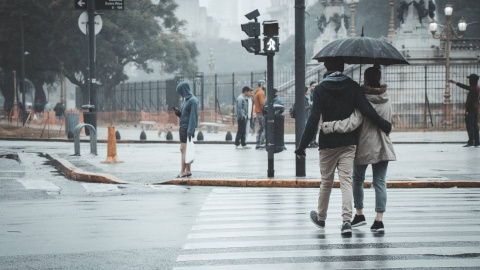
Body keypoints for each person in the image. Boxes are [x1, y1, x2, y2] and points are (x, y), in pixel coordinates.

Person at [294, 58, 392, 235]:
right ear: (343, 67)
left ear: (326, 67)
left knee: (326, 182)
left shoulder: (320, 89)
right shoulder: (353, 86)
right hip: (348, 142)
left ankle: (321, 218)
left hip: (327, 143)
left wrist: (302, 146)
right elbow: (367, 110)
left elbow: (313, 118)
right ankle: (346, 221)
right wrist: (383, 124)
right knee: (346, 181)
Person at [321, 67, 396, 233]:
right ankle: (379, 220)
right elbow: (389, 120)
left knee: (357, 180)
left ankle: (359, 214)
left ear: (366, 79)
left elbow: (354, 122)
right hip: (383, 145)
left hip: (364, 144)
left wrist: (330, 126)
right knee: (380, 182)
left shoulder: (362, 99)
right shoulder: (386, 98)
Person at [173, 82, 199, 178]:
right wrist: (178, 113)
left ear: (184, 90)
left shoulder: (193, 101)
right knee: (185, 150)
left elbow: (193, 117)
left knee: (183, 149)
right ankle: (188, 170)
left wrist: (190, 131)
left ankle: (182, 172)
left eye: (181, 91)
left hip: (187, 128)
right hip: (184, 127)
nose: (180, 94)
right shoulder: (186, 101)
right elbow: (185, 115)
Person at [450, 74, 480, 147]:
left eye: (469, 79)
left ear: (472, 80)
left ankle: (470, 142)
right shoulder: (476, 87)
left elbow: (471, 101)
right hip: (476, 109)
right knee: (475, 126)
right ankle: (477, 142)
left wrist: (467, 110)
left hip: (471, 109)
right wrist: (456, 83)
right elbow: (465, 87)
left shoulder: (473, 89)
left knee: (470, 126)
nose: (469, 80)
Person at [254, 80, 266, 149]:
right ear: (261, 84)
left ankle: (258, 142)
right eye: (264, 84)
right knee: (265, 128)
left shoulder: (256, 93)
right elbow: (262, 103)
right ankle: (262, 143)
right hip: (262, 113)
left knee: (260, 128)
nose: (265, 86)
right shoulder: (261, 93)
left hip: (258, 113)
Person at [308, 81, 319, 148]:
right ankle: (312, 141)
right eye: (313, 86)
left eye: (315, 86)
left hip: (316, 111)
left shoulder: (317, 92)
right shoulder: (310, 94)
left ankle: (314, 140)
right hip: (312, 112)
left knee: (316, 128)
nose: (314, 87)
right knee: (313, 128)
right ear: (310, 87)